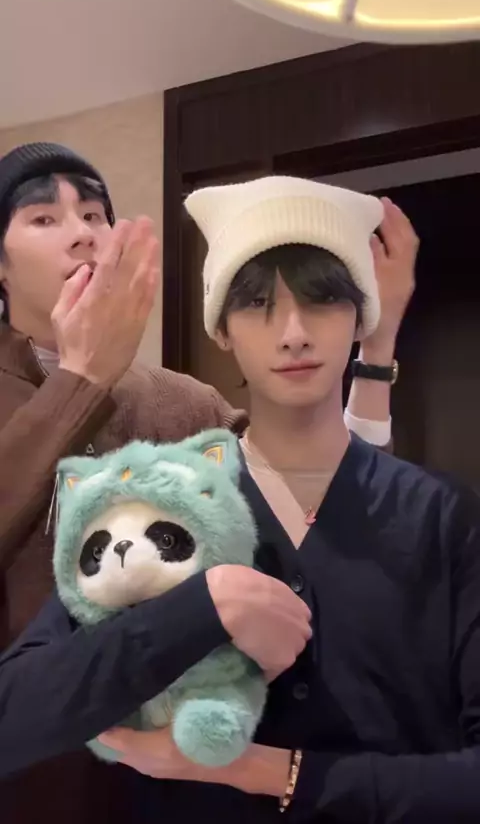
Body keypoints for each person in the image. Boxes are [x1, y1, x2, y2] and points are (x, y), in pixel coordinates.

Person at [0, 147, 415, 823]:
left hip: (182, 780)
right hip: (32, 781)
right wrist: (80, 380)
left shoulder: (180, 401)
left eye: (95, 214)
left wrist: (375, 352)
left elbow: (329, 512)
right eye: (44, 218)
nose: (82, 234)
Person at [75, 175, 479, 823]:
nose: (292, 333)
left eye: (322, 300)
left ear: (361, 317)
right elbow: (65, 695)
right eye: (258, 303)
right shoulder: (160, 514)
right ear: (222, 329)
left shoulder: (441, 518)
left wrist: (265, 770)